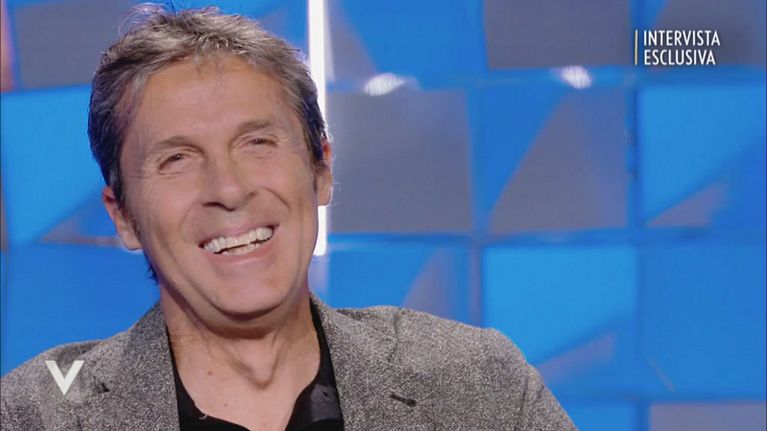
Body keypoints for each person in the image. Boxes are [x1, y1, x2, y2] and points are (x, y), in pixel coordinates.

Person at [0, 5, 576, 430]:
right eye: (177, 159)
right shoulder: (35, 415)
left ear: (321, 168)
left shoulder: (479, 387)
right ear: (123, 215)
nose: (228, 189)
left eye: (257, 142)